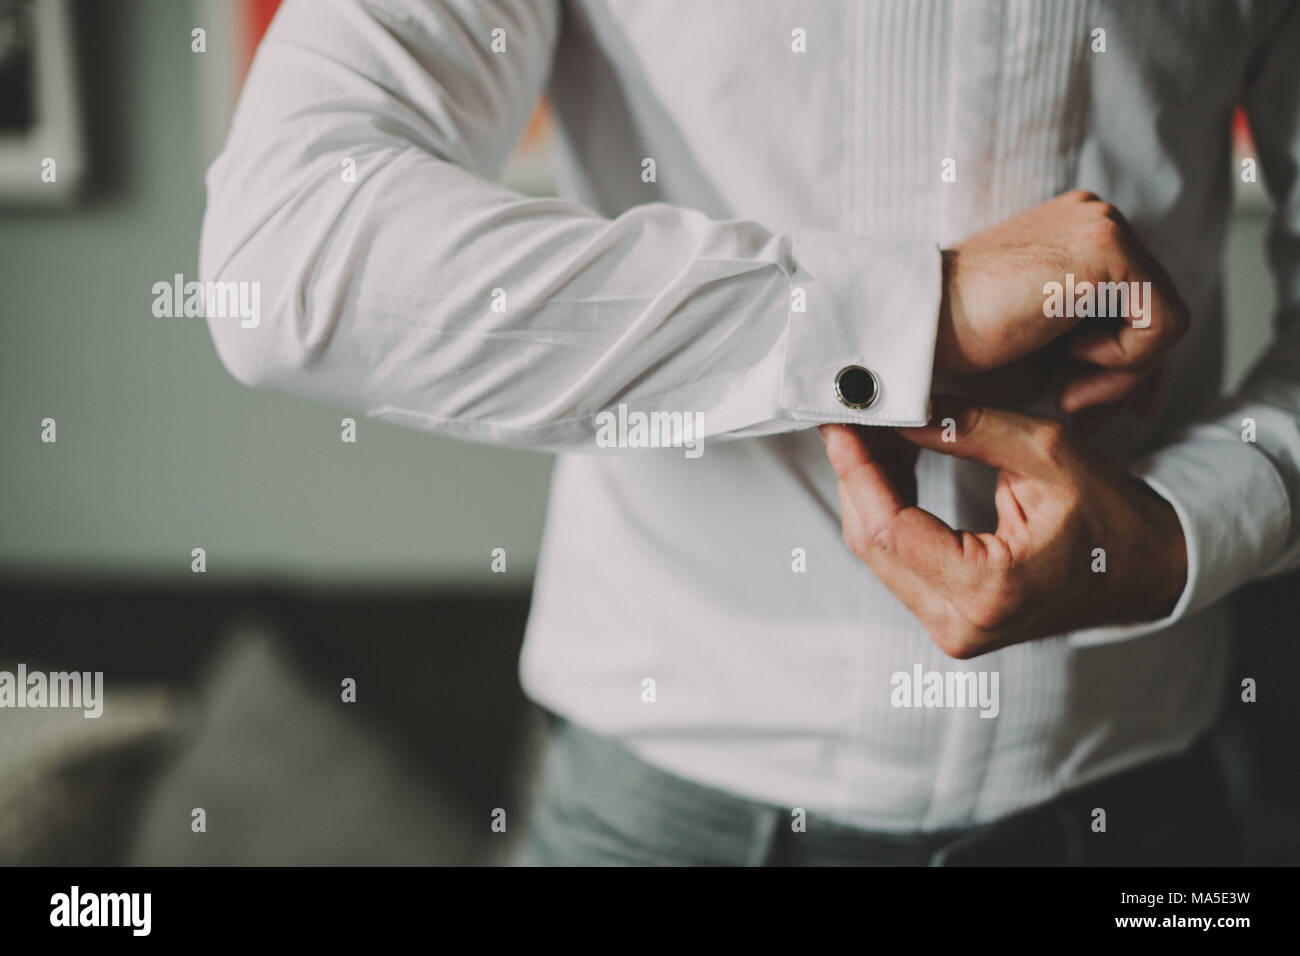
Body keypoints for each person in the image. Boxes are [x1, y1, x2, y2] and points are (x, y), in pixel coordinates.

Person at [199, 0, 1300, 865]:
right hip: (661, 821)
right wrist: (905, 314)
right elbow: (289, 253)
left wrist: (1180, 526)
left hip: (1143, 804)